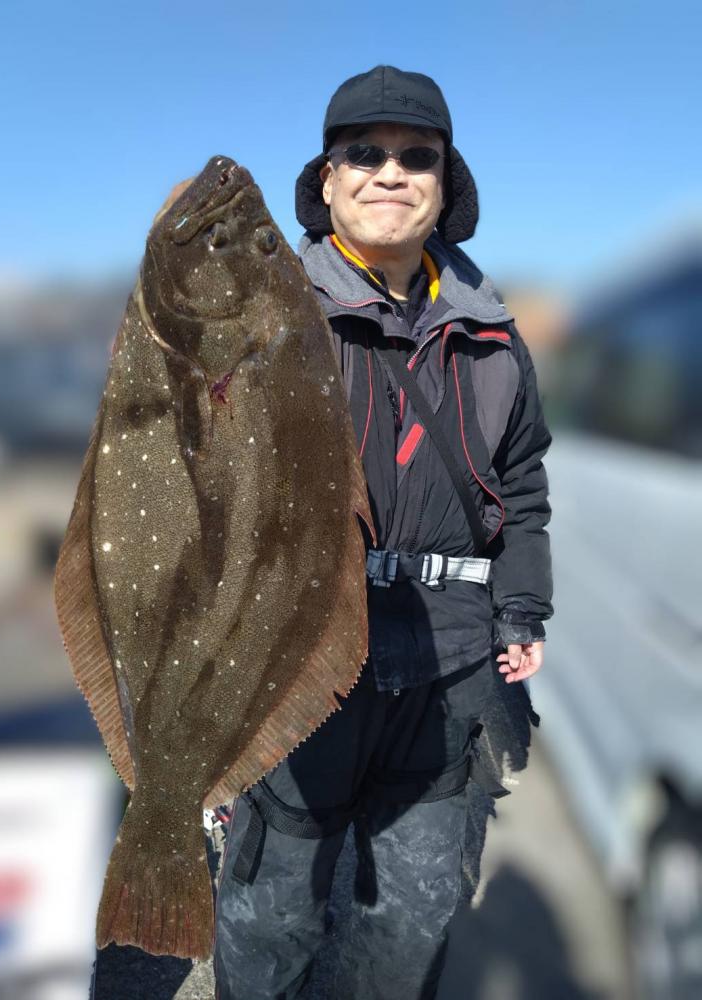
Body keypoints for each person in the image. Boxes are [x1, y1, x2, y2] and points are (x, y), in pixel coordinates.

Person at [212, 65, 553, 1000]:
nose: (391, 172)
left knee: (411, 921)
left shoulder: (494, 333)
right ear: (326, 181)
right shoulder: (259, 314)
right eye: (363, 152)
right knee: (272, 914)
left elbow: (523, 485)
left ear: (447, 183)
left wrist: (522, 605)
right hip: (303, 658)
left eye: (417, 156)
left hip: (453, 661)